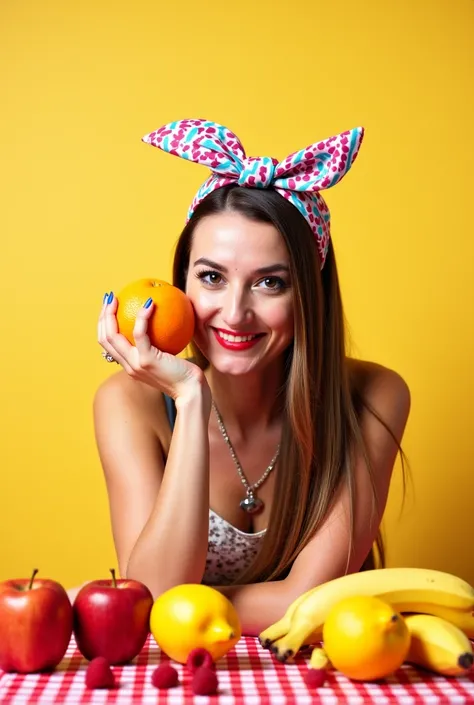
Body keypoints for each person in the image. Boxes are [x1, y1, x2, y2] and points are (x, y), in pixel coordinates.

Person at [83, 119, 410, 635]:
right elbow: (153, 591)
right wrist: (190, 398)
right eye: (211, 277)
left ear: (309, 296)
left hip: (328, 668)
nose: (235, 313)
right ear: (181, 281)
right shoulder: (129, 404)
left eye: (270, 283)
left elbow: (307, 600)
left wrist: (181, 605)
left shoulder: (373, 398)